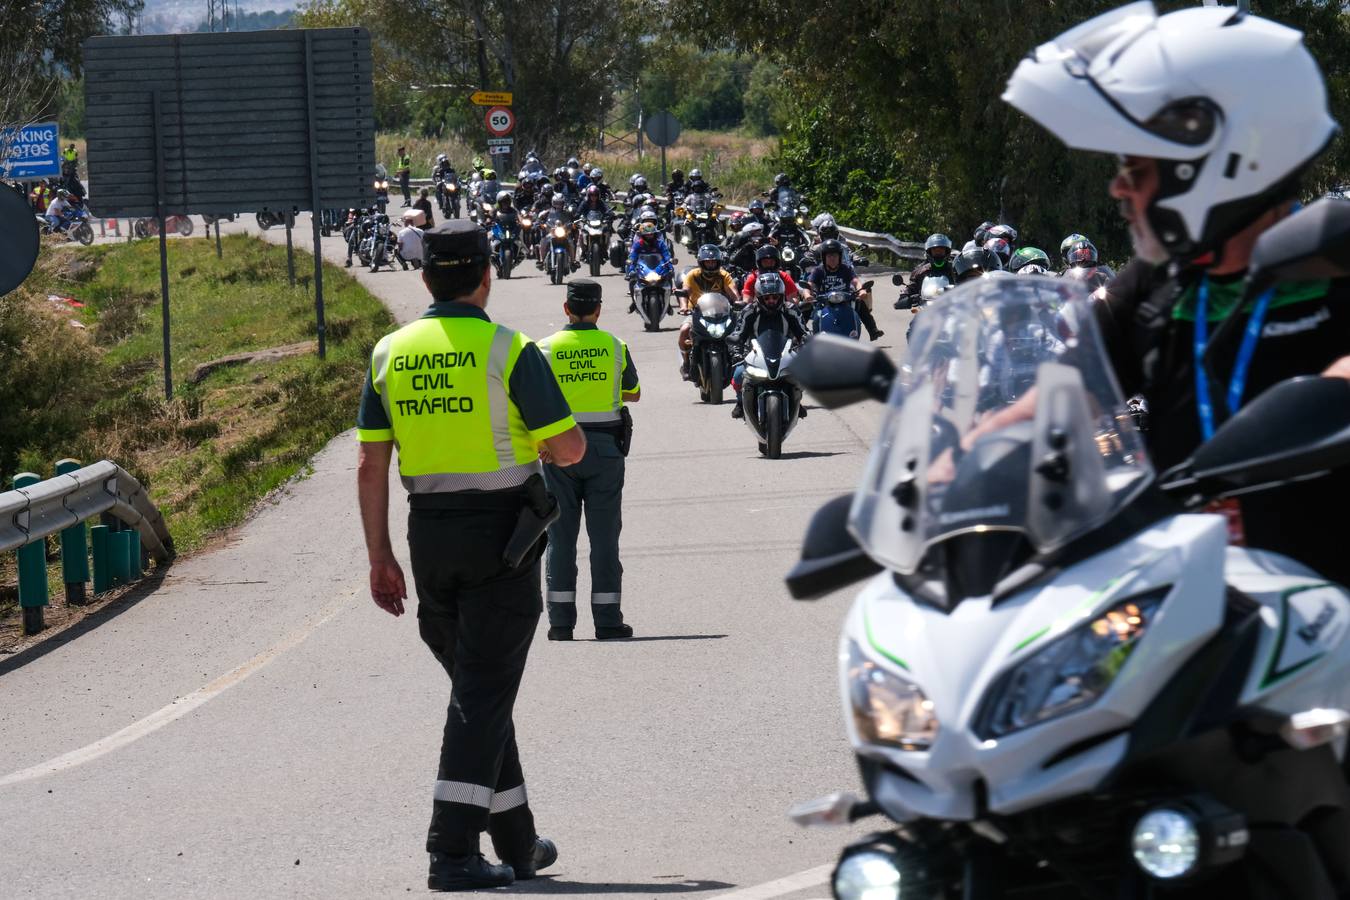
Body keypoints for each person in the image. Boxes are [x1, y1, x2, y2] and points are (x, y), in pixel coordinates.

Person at [1004, 1, 1350, 584]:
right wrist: (955, 465)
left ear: (1217, 162)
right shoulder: (1159, 282)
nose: (1119, 187)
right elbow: (1065, 392)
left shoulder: (1336, 256)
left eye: (1136, 167)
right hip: (1190, 607)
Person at [355, 220, 585, 890]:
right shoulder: (508, 350)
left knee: (479, 692)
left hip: (427, 539)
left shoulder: (389, 353)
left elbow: (372, 465)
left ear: (425, 278)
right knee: (482, 693)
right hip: (502, 542)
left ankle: (516, 843)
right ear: (486, 276)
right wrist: (547, 442)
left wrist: (379, 557)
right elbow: (569, 449)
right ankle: (450, 852)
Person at [536, 280, 640, 641]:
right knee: (604, 539)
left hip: (557, 452)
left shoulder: (543, 349)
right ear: (599, 310)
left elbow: (526, 404)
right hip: (605, 451)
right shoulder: (614, 345)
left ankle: (561, 624)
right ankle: (608, 621)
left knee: (559, 538)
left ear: (566, 309)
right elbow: (633, 392)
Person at [729, 271, 808, 419]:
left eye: (775, 297)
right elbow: (738, 334)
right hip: (754, 354)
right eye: (767, 298)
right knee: (739, 374)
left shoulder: (791, 310)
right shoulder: (749, 311)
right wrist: (736, 353)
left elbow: (803, 332)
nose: (771, 301)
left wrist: (807, 342)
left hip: (786, 354)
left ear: (782, 296)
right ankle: (740, 402)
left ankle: (797, 401)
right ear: (759, 297)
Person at [678, 244, 738, 379]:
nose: (711, 264)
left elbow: (732, 291)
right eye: (707, 262)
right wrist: (683, 307)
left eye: (713, 262)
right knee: (684, 330)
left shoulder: (724, 275)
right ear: (701, 262)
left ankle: (737, 363)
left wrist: (739, 302)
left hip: (722, 313)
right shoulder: (692, 275)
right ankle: (686, 362)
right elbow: (685, 291)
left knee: (737, 336)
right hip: (698, 313)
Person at [802, 239, 883, 340]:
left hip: (845, 302)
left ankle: (873, 330)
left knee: (860, 304)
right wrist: (807, 294)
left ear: (839, 256)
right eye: (829, 256)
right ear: (824, 257)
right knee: (815, 317)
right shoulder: (818, 270)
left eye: (835, 255)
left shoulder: (846, 269)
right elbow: (809, 284)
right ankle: (802, 336)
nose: (832, 258)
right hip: (823, 304)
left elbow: (856, 281)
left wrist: (861, 290)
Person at [898, 233, 955, 310]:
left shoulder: (955, 269)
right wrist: (904, 295)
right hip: (926, 309)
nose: (938, 253)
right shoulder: (920, 271)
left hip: (952, 308)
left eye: (941, 250)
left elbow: (966, 282)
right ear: (929, 252)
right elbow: (912, 286)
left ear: (947, 252)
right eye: (935, 250)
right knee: (914, 322)